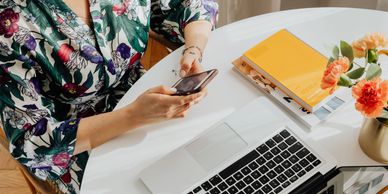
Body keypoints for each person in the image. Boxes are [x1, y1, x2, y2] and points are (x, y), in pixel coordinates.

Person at [0, 0, 218, 193]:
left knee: (213, 165)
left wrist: (194, 49)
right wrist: (134, 115)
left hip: (149, 98)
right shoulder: (9, 25)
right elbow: (30, 143)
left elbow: (191, 5)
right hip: (77, 140)